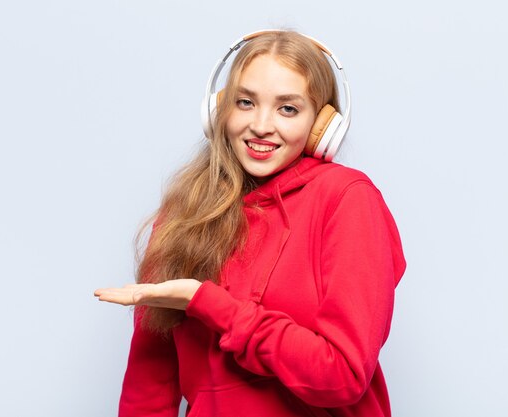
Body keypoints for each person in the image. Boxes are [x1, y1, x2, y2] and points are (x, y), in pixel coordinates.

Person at [95, 29, 406, 417]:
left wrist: (208, 303)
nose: (261, 125)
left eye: (287, 109)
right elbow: (150, 384)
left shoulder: (347, 199)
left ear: (320, 125)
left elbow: (340, 376)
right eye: (245, 102)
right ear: (220, 110)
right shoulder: (183, 214)